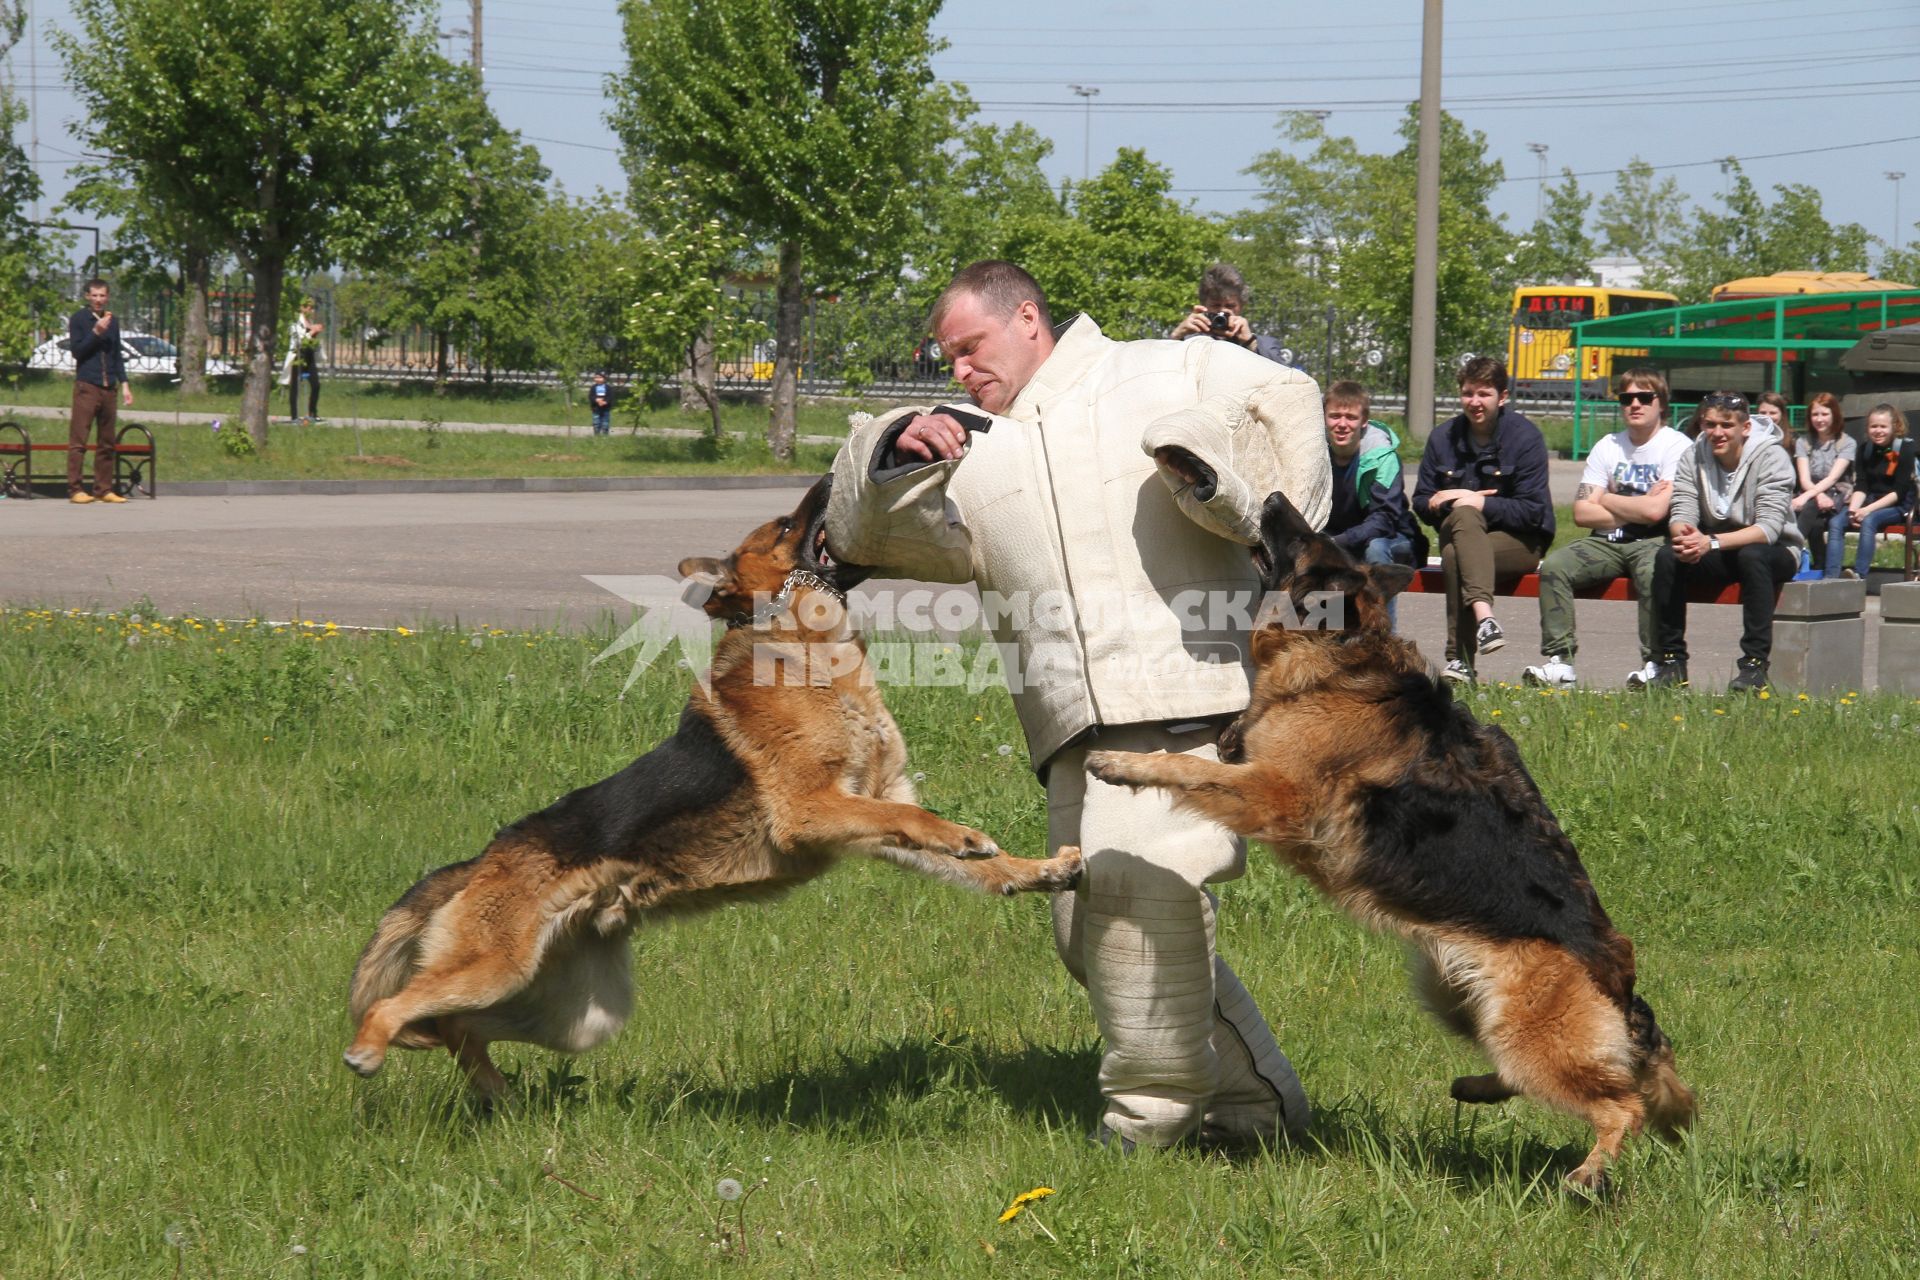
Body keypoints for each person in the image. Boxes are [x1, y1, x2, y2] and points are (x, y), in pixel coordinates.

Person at [825, 260, 1329, 1151]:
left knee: (1137, 909)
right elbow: (858, 536)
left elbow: (1290, 397)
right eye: (948, 358)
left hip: (1185, 699)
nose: (960, 370)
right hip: (1069, 732)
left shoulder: (1161, 371)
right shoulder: (972, 445)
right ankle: (1262, 1111)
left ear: (1027, 318)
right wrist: (891, 443)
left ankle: (1147, 1125)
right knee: (1090, 935)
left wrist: (1244, 500)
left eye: (970, 347)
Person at [1523, 369, 1691, 690]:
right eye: (1627, 399)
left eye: (1645, 398)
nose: (1635, 405)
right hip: (1606, 543)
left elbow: (1658, 511)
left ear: (1661, 403)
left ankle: (1654, 664)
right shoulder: (1607, 446)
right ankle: (1560, 662)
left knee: (1653, 572)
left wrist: (1608, 497)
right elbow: (1582, 512)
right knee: (1556, 566)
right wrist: (1637, 508)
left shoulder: (1677, 446)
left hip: (1653, 541)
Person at [1644, 391, 1803, 693]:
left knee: (1753, 556)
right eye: (1710, 424)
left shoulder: (1772, 457)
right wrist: (1686, 537)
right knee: (1668, 556)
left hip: (1776, 549)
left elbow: (1768, 529)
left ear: (1745, 428)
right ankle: (1671, 662)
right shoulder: (1693, 455)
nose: (1717, 433)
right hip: (1716, 544)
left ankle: (1754, 666)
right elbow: (1682, 509)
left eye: (1726, 425)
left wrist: (1709, 543)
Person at [1411, 357, 1555, 684]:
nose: (1475, 402)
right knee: (1463, 516)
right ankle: (1485, 619)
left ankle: (1460, 661)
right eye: (1468, 393)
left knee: (1454, 555)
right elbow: (1420, 500)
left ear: (1502, 397)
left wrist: (1480, 504)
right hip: (1459, 531)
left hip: (1519, 540)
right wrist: (1438, 504)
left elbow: (1533, 512)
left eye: (1484, 394)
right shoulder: (1442, 437)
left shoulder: (1525, 438)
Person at [1323, 380, 1424, 627]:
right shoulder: (1315, 453)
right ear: (1324, 418)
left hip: (1393, 539)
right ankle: (1329, 640)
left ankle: (1384, 637)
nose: (1342, 424)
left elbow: (1384, 520)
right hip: (1339, 538)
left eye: (1350, 417)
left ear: (1364, 421)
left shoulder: (1382, 456)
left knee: (1375, 548)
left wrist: (1338, 542)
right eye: (1334, 416)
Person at [65, 278, 133, 505]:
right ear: (87, 297)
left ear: (108, 297)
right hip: (87, 386)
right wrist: (95, 332)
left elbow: (116, 354)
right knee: (79, 440)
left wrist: (124, 383)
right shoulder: (79, 320)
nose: (98, 300)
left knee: (107, 442)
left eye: (102, 295)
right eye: (94, 295)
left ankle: (103, 489)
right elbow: (78, 352)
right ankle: (75, 489)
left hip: (108, 387)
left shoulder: (112, 321)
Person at [1845, 403, 1916, 580]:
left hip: (1898, 506)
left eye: (1883, 426)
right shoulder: (1865, 449)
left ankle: (1859, 575)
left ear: (1894, 427)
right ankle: (1830, 576)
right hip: (1871, 501)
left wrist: (1866, 510)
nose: (1878, 431)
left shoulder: (1905, 449)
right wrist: (1853, 511)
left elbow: (1899, 492)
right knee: (1836, 522)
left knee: (1869, 521)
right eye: (1873, 426)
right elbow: (1861, 484)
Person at [1168, 262, 1290, 365]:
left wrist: (1250, 342)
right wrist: (1175, 337)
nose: (1222, 311)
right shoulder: (1188, 343)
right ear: (1203, 305)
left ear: (1242, 306)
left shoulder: (1262, 345)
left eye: (1230, 306)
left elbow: (1286, 378)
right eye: (1216, 305)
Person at [1791, 391, 1855, 579]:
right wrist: (1816, 494)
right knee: (1816, 522)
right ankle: (1820, 566)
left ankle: (1791, 549)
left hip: (1837, 492)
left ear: (1834, 414)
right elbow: (1804, 478)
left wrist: (1808, 496)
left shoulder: (1847, 442)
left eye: (1824, 414)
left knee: (1809, 507)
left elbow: (1833, 478)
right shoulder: (1803, 442)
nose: (1819, 419)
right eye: (1815, 414)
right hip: (1812, 491)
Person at [286, 298, 323, 424]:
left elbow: (312, 341)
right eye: (308, 307)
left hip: (309, 357)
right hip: (298, 357)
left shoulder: (310, 321)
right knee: (295, 387)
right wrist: (312, 331)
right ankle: (294, 416)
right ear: (301, 307)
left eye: (312, 308)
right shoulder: (296, 323)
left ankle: (312, 413)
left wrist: (315, 333)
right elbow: (298, 342)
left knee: (316, 385)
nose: (311, 310)